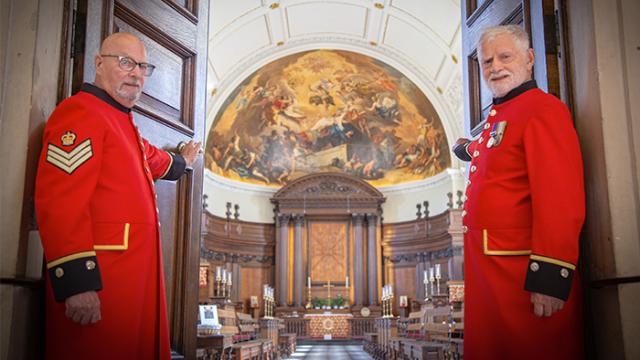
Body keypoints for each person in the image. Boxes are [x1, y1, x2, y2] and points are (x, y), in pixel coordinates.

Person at [35, 32, 201, 359]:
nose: (136, 74)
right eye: (126, 63)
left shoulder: (122, 122)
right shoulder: (81, 112)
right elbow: (60, 203)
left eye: (143, 67)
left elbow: (150, 158)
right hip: (99, 282)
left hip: (129, 284)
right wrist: (77, 282)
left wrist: (184, 161)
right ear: (99, 63)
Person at [452, 25, 585, 359]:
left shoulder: (543, 109)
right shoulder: (501, 116)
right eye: (486, 61)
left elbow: (560, 197)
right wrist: (468, 149)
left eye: (504, 57)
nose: (495, 67)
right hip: (492, 274)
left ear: (529, 59)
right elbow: (500, 153)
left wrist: (550, 275)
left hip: (521, 274)